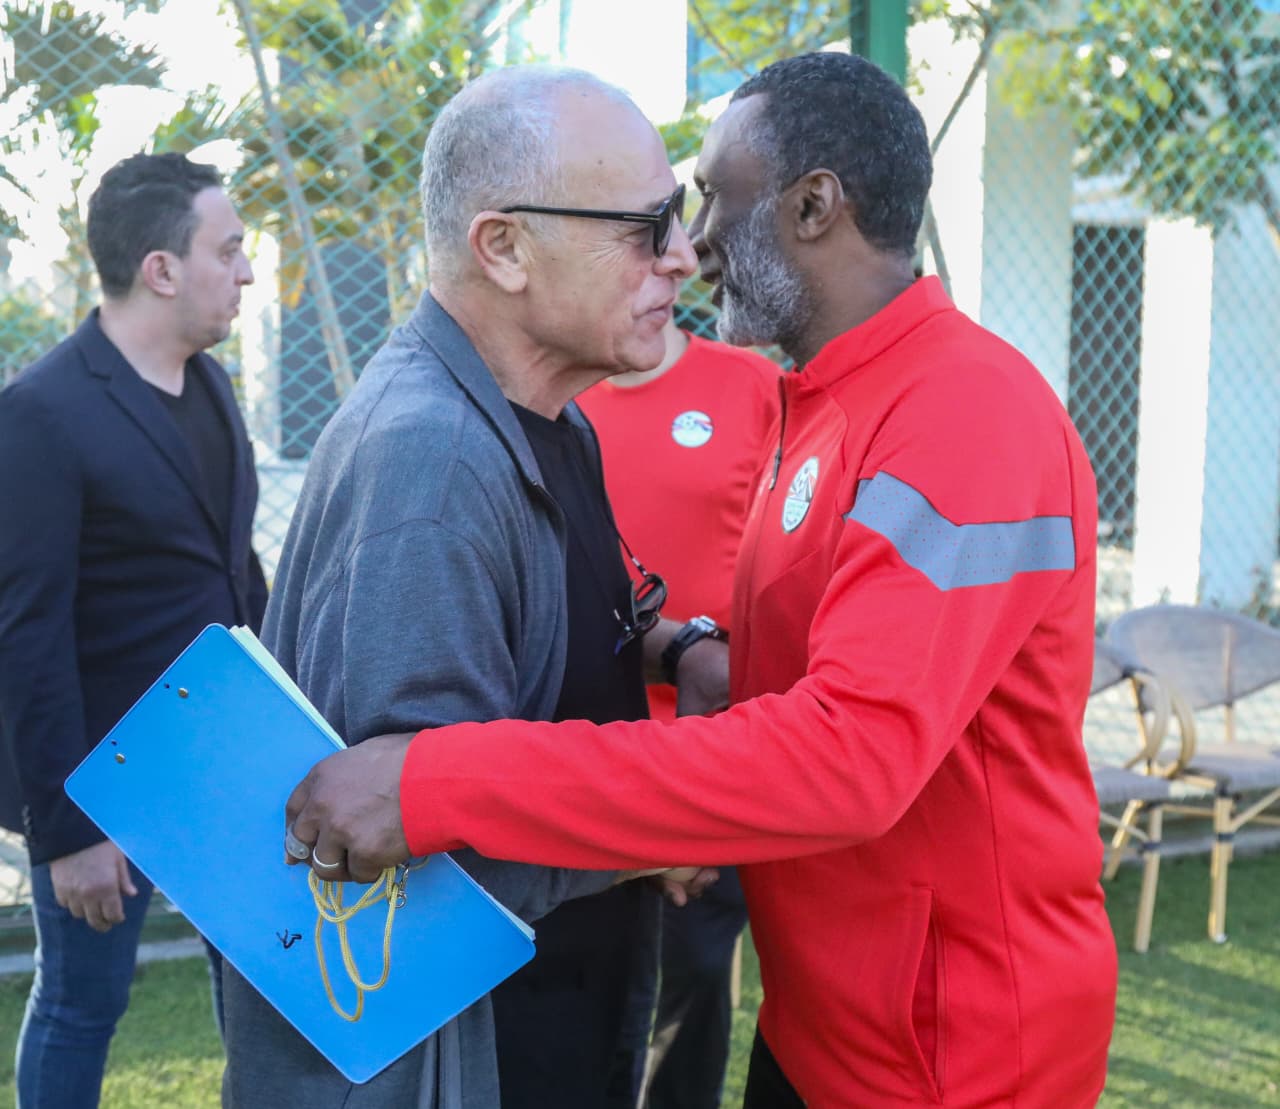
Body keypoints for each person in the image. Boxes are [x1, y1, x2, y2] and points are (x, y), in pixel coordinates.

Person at [287, 50, 1120, 1109]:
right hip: (831, 1022)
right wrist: (688, 651)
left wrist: (433, 783)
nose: (691, 248)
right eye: (654, 223)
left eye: (709, 202)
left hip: (950, 1056)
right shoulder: (818, 405)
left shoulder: (963, 416)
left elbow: (849, 756)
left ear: (813, 206)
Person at [219, 66, 702, 1109]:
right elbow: (407, 852)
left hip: (558, 1015)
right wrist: (666, 824)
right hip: (468, 1059)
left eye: (679, 215)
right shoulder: (432, 462)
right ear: (503, 248)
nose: (683, 254)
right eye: (644, 226)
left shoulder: (553, 421)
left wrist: (678, 645)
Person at [0, 151, 267, 1109]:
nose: (246, 272)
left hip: (227, 756)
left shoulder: (213, 386)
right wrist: (69, 832)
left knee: (263, 986)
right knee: (83, 1002)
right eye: (228, 251)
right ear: (161, 268)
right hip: (104, 780)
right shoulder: (40, 414)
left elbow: (233, 574)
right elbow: (26, 637)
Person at [576, 315, 779, 1109]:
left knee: (694, 976)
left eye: (664, 253)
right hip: (580, 752)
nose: (666, 265)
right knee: (581, 993)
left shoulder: (750, 385)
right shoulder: (550, 392)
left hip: (713, 753)